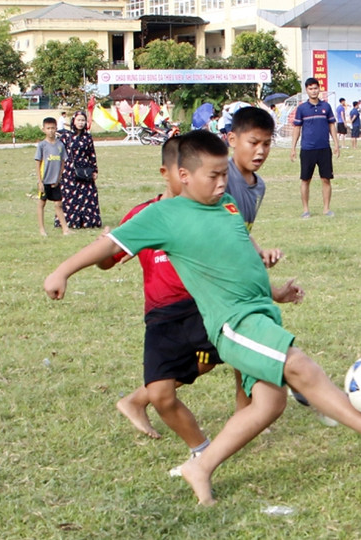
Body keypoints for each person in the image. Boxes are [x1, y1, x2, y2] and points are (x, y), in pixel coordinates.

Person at [44, 130, 361, 506]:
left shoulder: (228, 205)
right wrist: (62, 271)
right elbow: (108, 245)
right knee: (303, 369)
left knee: (269, 404)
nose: (222, 183)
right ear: (183, 176)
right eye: (213, 176)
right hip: (233, 323)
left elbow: (245, 257)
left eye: (223, 175)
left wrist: (274, 292)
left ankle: (200, 466)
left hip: (261, 315)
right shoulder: (164, 215)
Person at [114, 109, 287, 458]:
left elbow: (237, 234)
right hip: (194, 297)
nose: (261, 151)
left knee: (217, 358)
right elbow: (112, 252)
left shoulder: (255, 185)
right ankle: (252, 413)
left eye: (267, 144)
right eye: (254, 142)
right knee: (242, 350)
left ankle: (248, 413)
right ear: (231, 140)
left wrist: (259, 257)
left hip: (213, 290)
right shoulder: (212, 188)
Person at [291, 77, 339, 218]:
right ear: (306, 90)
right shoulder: (302, 109)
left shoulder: (326, 107)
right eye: (310, 89)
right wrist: (293, 147)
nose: (313, 91)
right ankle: (306, 210)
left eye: (315, 88)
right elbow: (297, 128)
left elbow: (331, 125)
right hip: (307, 149)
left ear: (319, 89)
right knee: (305, 179)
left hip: (324, 148)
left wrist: (336, 143)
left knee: (326, 179)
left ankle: (326, 209)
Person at [56, 110, 101, 229]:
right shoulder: (66, 137)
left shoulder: (88, 137)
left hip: (85, 169)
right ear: (73, 121)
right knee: (70, 195)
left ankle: (88, 221)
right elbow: (59, 154)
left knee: (88, 195)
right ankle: (69, 221)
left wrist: (94, 170)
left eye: (83, 120)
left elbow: (92, 154)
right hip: (70, 170)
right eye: (78, 120)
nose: (81, 123)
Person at [35, 117, 70, 236]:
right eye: (48, 128)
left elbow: (62, 162)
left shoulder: (60, 145)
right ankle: (41, 229)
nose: (51, 131)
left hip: (55, 181)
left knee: (58, 204)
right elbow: (38, 163)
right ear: (43, 129)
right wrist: (40, 181)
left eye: (53, 128)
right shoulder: (42, 145)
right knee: (41, 203)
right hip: (45, 180)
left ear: (56, 129)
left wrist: (59, 178)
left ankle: (65, 229)